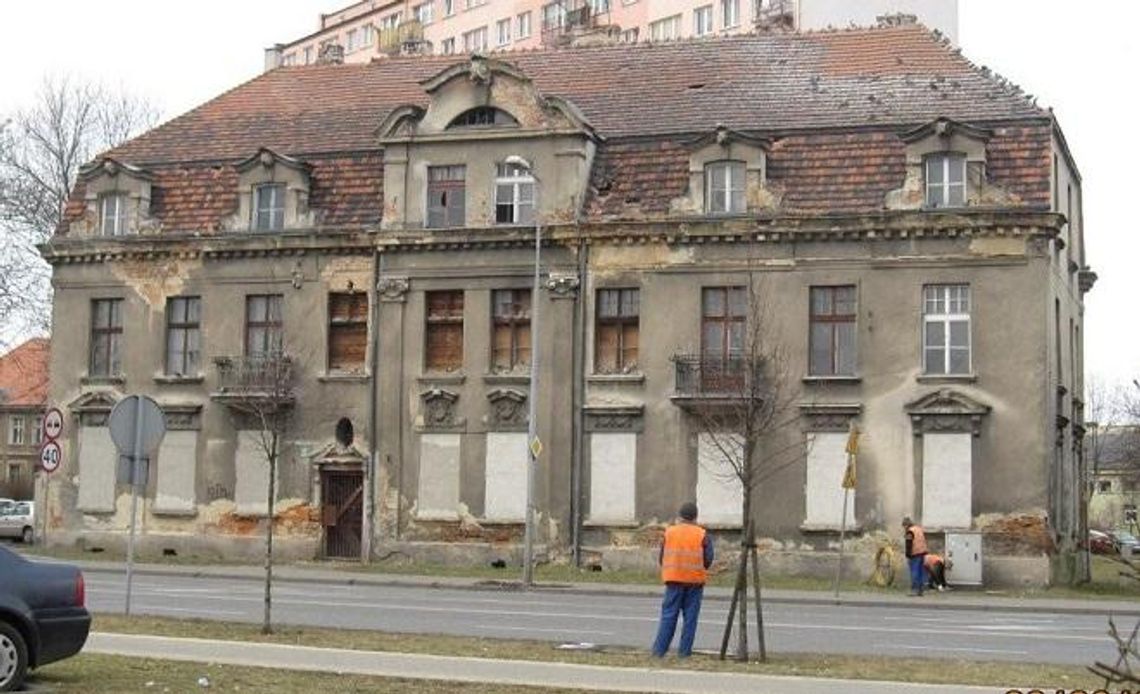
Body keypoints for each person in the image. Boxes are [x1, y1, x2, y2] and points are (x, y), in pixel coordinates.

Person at [651, 501, 713, 658]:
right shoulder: (702, 534)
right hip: (694, 583)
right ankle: (684, 653)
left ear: (680, 516)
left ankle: (659, 651)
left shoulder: (669, 532)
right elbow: (708, 559)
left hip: (673, 580)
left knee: (668, 617)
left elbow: (662, 557)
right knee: (690, 620)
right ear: (695, 517)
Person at [902, 516, 927, 596]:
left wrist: (908, 555)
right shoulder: (918, 529)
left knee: (914, 571)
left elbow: (908, 544)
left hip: (915, 553)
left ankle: (914, 590)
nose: (904, 528)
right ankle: (920, 590)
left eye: (904, 526)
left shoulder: (910, 532)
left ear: (906, 525)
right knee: (920, 572)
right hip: (922, 552)